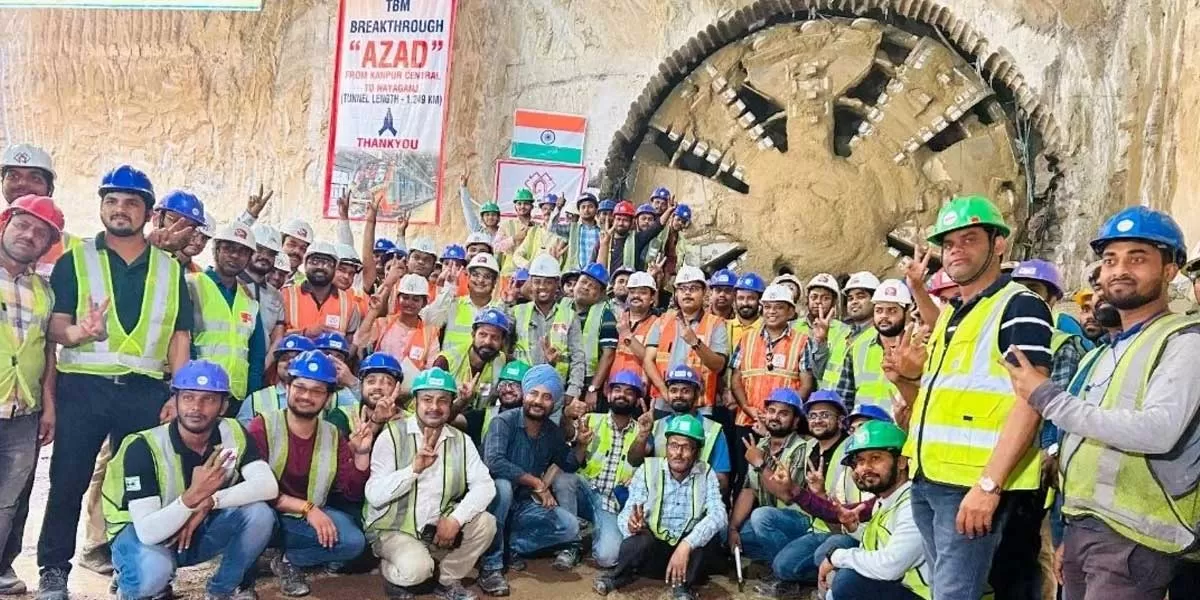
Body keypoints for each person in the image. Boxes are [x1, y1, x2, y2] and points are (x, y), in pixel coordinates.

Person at [1000, 206, 1200, 600]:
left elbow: (1159, 431)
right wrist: (1073, 533)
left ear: (1170, 269)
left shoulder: (1184, 342)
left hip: (1136, 537)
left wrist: (1047, 397)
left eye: (1137, 258)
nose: (1119, 269)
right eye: (1110, 259)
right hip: (1088, 530)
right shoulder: (1107, 351)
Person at [38, 165, 195, 600]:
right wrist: (78, 333)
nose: (119, 209)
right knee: (68, 481)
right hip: (83, 389)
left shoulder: (170, 269)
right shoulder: (77, 260)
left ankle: (132, 566)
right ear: (102, 207)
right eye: (111, 201)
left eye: (130, 202)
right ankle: (53, 570)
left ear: (147, 213)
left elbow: (180, 336)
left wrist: (178, 395)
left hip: (144, 391)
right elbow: (56, 327)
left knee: (138, 485)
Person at [891, 195, 1053, 600]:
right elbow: (948, 341)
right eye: (948, 244)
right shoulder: (957, 309)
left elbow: (1031, 400)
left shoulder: (1020, 306)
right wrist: (917, 288)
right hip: (931, 479)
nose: (956, 251)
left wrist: (988, 485)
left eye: (969, 239)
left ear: (999, 244)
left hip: (969, 487)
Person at [102, 360, 278, 600]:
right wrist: (191, 498)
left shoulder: (233, 431)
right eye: (188, 397)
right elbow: (148, 532)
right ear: (174, 401)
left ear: (224, 406)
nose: (196, 407)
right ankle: (134, 577)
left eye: (209, 399)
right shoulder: (143, 446)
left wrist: (209, 501)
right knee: (152, 574)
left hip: (195, 528)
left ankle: (222, 591)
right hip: (139, 532)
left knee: (260, 514)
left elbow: (268, 486)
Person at [364, 367, 498, 600]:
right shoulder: (392, 435)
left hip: (436, 529)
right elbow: (374, 495)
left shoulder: (461, 441)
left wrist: (456, 519)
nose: (434, 407)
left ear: (450, 405)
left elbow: (485, 485)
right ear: (415, 402)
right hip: (392, 529)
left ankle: (446, 578)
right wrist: (413, 470)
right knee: (416, 571)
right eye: (427, 399)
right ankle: (393, 569)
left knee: (486, 523)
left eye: (442, 400)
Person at [247, 350, 372, 596]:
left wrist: (360, 455)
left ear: (327, 398)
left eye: (317, 391)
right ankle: (255, 552)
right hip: (267, 513)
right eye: (300, 387)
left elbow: (352, 492)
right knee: (258, 517)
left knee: (354, 542)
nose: (306, 396)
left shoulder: (332, 434)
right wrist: (307, 508)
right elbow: (253, 489)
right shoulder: (262, 426)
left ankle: (287, 559)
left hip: (306, 516)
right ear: (288, 387)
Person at [0, 195, 63, 595]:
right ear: (5, 223)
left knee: (6, 502)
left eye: (40, 232)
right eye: (23, 225)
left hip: (24, 411)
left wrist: (49, 406)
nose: (29, 235)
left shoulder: (44, 290)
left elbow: (47, 352)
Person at [595, 415, 727, 600]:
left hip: (685, 556)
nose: (678, 453)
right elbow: (628, 511)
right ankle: (618, 577)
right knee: (637, 541)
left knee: (706, 541)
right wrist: (631, 526)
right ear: (666, 447)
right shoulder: (648, 469)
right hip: (654, 551)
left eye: (686, 447)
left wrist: (687, 544)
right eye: (673, 445)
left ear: (696, 452)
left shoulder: (706, 473)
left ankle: (683, 588)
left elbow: (719, 514)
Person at [478, 365, 583, 595]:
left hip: (523, 507)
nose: (538, 401)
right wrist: (536, 483)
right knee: (503, 486)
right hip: (492, 505)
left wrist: (582, 444)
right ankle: (490, 566)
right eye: (533, 393)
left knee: (570, 526)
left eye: (546, 397)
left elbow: (569, 464)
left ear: (553, 403)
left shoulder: (552, 432)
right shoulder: (503, 422)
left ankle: (508, 547)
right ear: (525, 394)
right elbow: (494, 462)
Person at [813, 420, 931, 600]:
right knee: (835, 558)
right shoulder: (886, 499)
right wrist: (855, 529)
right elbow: (885, 540)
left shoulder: (914, 504)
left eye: (875, 458)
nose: (864, 468)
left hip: (925, 595)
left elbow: (890, 566)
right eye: (859, 461)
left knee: (848, 580)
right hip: (899, 586)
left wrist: (836, 557)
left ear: (901, 462)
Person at [554, 370, 648, 572]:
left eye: (629, 392)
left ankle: (590, 531)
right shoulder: (590, 420)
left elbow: (638, 461)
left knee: (608, 557)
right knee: (564, 479)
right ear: (608, 393)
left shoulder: (643, 431)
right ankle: (572, 544)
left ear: (638, 399)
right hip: (585, 491)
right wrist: (579, 443)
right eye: (617, 390)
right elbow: (572, 463)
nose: (621, 395)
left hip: (612, 504)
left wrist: (642, 438)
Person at [728, 388, 815, 599]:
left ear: (795, 421)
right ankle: (790, 563)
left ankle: (786, 577)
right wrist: (732, 528)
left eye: (783, 413)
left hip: (801, 523)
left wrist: (759, 463)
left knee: (761, 516)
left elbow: (786, 495)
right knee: (726, 536)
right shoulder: (762, 444)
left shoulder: (802, 448)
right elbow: (749, 489)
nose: (775, 417)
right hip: (771, 523)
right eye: (771, 411)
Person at [188, 223, 266, 402]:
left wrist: (250, 398)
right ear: (216, 251)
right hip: (199, 390)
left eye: (243, 252)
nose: (235, 256)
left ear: (249, 258)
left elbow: (256, 355)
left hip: (236, 396)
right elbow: (183, 340)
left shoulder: (249, 301)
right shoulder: (193, 284)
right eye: (228, 249)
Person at [731, 283, 813, 446]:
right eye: (767, 307)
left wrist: (784, 411)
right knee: (746, 470)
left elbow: (806, 384)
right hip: (748, 421)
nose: (772, 311)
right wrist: (747, 408)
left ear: (790, 312)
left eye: (779, 307)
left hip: (783, 425)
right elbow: (735, 380)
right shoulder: (747, 339)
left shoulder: (802, 341)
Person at [627, 365, 731, 491]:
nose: (679, 395)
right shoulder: (656, 425)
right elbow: (633, 461)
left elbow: (722, 481)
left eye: (685, 391)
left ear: (697, 393)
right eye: (673, 390)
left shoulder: (713, 430)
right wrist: (643, 434)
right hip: (659, 499)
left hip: (696, 502)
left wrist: (688, 492)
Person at [643, 266, 728, 415]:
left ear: (704, 293)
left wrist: (695, 343)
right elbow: (648, 360)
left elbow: (719, 365)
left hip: (699, 405)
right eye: (682, 289)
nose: (687, 292)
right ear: (676, 294)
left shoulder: (716, 324)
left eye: (693, 288)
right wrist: (665, 392)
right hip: (664, 403)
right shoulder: (662, 321)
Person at [511, 254, 585, 414]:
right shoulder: (518, 312)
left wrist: (573, 391)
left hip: (554, 395)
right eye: (537, 282)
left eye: (548, 282)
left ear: (557, 284)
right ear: (530, 283)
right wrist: (507, 302)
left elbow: (578, 358)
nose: (542, 287)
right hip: (521, 391)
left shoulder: (570, 316)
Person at [834, 278, 912, 416]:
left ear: (906, 312)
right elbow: (845, 395)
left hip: (900, 429)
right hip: (862, 428)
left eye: (892, 311)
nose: (884, 316)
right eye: (879, 310)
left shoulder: (918, 350)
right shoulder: (858, 346)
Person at [357, 272, 440, 385]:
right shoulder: (384, 323)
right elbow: (360, 342)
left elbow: (430, 369)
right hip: (381, 386)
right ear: (397, 299)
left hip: (412, 393)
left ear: (424, 303)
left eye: (415, 299)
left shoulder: (430, 332)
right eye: (405, 298)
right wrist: (373, 312)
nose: (409, 303)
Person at [432, 307, 509, 413]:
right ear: (473, 334)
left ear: (503, 341)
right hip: (443, 421)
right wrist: (462, 401)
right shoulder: (446, 361)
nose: (487, 341)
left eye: (495, 337)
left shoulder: (503, 361)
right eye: (483, 334)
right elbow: (433, 410)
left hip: (476, 424)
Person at [568, 263, 618, 410]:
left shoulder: (605, 315)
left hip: (587, 382)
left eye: (593, 286)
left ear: (601, 294)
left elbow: (608, 355)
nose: (586, 287)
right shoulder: (561, 307)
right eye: (583, 282)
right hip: (562, 378)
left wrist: (593, 388)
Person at [425, 253, 502, 349]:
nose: (480, 280)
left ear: (494, 282)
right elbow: (431, 320)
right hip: (451, 363)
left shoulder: (500, 311)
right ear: (468, 278)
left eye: (487, 277)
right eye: (475, 275)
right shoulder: (453, 304)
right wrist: (449, 288)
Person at [238, 334, 315, 424]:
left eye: (297, 358)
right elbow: (242, 435)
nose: (290, 362)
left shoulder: (321, 398)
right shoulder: (255, 399)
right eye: (284, 358)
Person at [796, 273, 851, 388]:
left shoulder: (844, 331)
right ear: (807, 299)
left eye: (825, 298)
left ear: (834, 302)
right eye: (814, 297)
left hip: (824, 397)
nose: (818, 302)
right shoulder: (793, 326)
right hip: (794, 396)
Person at [610, 271, 660, 388]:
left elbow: (651, 359)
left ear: (652, 298)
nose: (636, 296)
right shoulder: (618, 317)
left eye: (643, 292)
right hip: (614, 387)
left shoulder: (658, 323)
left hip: (638, 390)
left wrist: (627, 335)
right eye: (632, 292)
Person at [463, 359, 528, 447]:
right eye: (503, 384)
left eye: (515, 385)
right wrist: (462, 401)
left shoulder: (534, 421)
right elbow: (449, 420)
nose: (508, 389)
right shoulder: (484, 416)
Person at [241, 224, 286, 349]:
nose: (265, 257)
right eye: (259, 250)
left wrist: (263, 366)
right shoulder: (231, 283)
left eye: (271, 254)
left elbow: (277, 339)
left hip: (261, 365)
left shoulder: (276, 296)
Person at [597, 200, 663, 271]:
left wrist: (669, 210)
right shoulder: (603, 240)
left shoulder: (636, 240)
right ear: (613, 220)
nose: (621, 223)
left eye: (625, 220)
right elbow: (597, 268)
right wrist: (604, 244)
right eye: (618, 219)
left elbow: (657, 227)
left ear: (632, 223)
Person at [554, 193, 602, 271]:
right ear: (579, 211)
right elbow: (553, 228)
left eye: (590, 207)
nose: (586, 210)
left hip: (596, 274)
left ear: (596, 210)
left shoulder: (602, 231)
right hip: (576, 273)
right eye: (583, 207)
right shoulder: (573, 229)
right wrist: (558, 208)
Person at [842, 271, 881, 339]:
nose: (854, 301)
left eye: (860, 297)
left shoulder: (884, 334)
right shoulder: (842, 333)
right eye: (850, 298)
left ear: (875, 300)